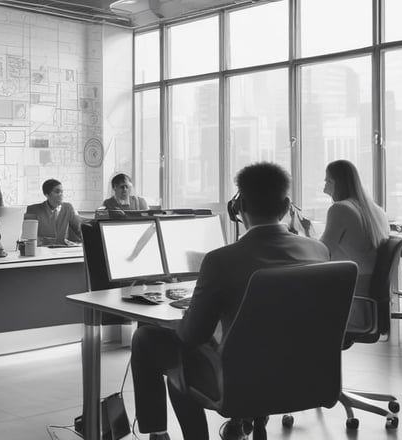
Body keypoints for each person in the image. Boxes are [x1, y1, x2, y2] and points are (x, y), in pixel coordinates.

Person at [130, 162, 329, 440]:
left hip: (238, 382)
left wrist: (187, 315)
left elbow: (191, 335)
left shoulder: (221, 261)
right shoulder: (319, 252)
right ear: (286, 207)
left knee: (149, 340)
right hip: (305, 377)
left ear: (240, 207)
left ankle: (161, 433)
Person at [320, 160, 389, 296]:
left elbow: (323, 251)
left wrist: (302, 236)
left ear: (340, 184)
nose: (324, 189)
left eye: (328, 181)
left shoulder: (340, 209)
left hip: (350, 283)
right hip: (371, 282)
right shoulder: (376, 210)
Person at [26, 179, 83, 245]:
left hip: (62, 251)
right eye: (57, 192)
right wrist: (51, 241)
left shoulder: (68, 208)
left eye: (62, 192)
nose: (61, 195)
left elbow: (80, 231)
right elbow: (29, 237)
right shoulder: (33, 210)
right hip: (42, 250)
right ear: (47, 194)